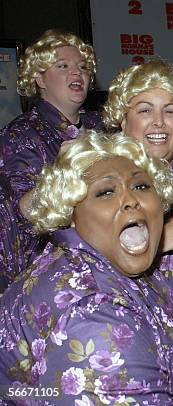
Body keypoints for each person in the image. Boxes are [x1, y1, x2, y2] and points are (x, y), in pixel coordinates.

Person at [0, 130, 173, 404]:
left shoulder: (108, 266)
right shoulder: (90, 310)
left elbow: (164, 373)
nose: (131, 199)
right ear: (71, 214)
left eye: (141, 186)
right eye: (106, 192)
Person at [0, 30, 104, 279]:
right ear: (39, 79)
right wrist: (62, 170)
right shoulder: (19, 134)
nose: (77, 72)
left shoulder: (103, 124)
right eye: (63, 65)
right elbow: (20, 214)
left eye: (82, 67)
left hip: (106, 258)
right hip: (52, 270)